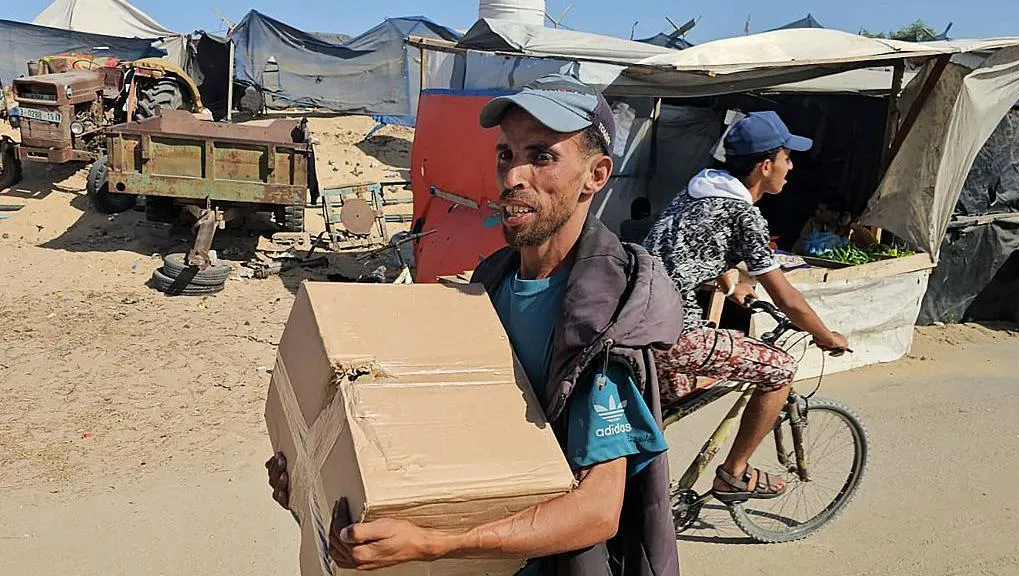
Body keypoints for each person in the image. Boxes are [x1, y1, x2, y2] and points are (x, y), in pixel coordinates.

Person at [267, 73, 685, 576]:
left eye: (542, 157)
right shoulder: (489, 284)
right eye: (506, 154)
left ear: (596, 175)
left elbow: (597, 509)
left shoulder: (600, 314)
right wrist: (322, 476)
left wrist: (437, 543)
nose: (512, 177)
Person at [644, 111, 849, 503]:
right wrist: (826, 336)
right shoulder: (743, 214)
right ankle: (733, 474)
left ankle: (646, 484)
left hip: (637, 324)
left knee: (667, 404)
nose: (791, 166)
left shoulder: (693, 192)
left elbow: (685, 253)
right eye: (788, 157)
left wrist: (730, 282)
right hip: (676, 333)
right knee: (779, 369)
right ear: (765, 165)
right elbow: (788, 298)